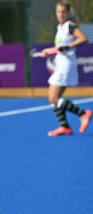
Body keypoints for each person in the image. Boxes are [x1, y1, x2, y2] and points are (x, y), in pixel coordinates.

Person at [39, 1, 91, 137]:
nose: (61, 14)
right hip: (61, 64)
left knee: (52, 97)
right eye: (58, 12)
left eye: (63, 12)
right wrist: (48, 51)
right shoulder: (60, 27)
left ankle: (83, 113)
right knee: (55, 98)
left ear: (68, 13)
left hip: (66, 66)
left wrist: (68, 47)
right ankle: (64, 127)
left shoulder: (70, 25)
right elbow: (59, 48)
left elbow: (84, 38)